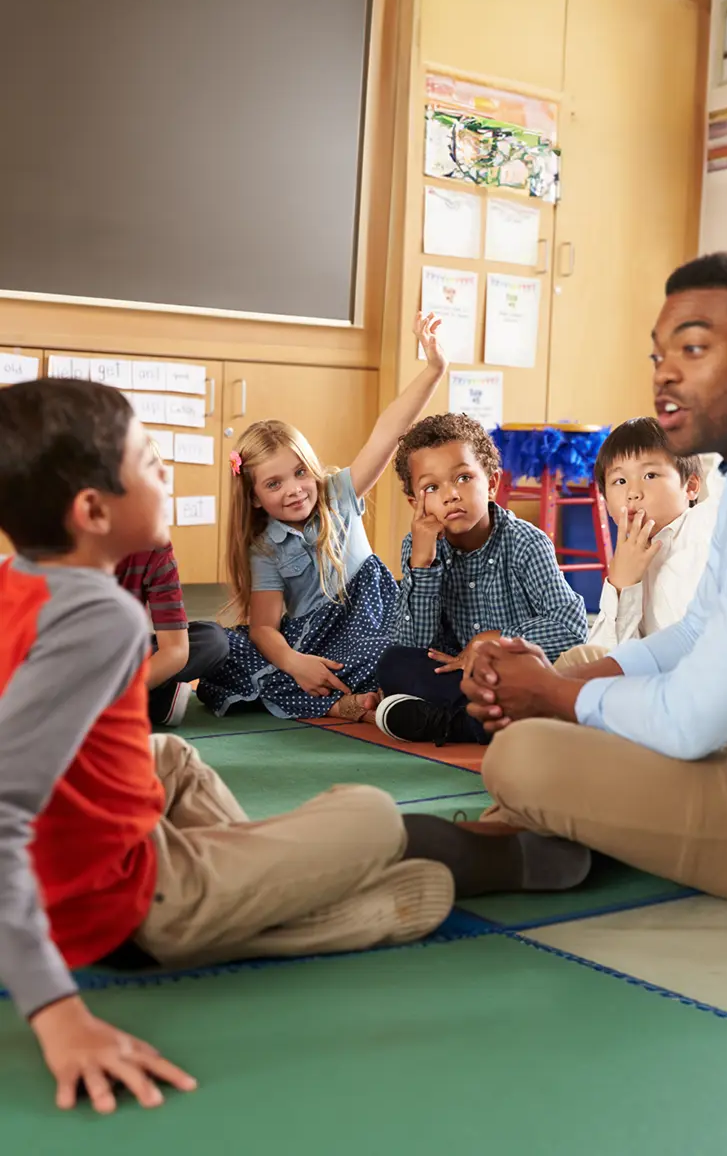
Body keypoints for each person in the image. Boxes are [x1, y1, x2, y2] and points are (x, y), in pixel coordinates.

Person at [0, 378, 457, 1114]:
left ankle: (246, 895)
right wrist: (56, 1012)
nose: (167, 473)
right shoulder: (104, 619)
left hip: (97, 848)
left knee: (172, 756)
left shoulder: (15, 582)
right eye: (148, 461)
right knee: (373, 814)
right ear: (91, 510)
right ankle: (245, 917)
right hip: (131, 905)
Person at [436, 252, 727, 910]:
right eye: (658, 355)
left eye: (693, 348)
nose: (666, 374)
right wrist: (561, 684)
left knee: (525, 759)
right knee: (565, 700)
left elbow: (690, 718)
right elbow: (694, 632)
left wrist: (550, 693)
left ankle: (526, 834)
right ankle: (533, 835)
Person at [197, 314, 448, 724]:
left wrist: (435, 368)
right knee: (229, 655)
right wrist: (296, 663)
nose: (294, 489)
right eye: (274, 484)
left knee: (398, 652)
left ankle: (364, 699)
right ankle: (347, 705)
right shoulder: (263, 547)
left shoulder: (338, 495)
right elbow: (264, 628)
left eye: (299, 473)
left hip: (371, 625)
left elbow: (389, 430)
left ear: (312, 469)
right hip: (311, 640)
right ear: (255, 498)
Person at [373, 412, 588, 744]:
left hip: (515, 673)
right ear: (417, 503)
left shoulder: (525, 543)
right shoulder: (418, 548)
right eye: (432, 487)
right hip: (460, 678)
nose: (451, 494)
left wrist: (493, 640)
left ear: (491, 484)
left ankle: (455, 723)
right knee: (392, 663)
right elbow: (414, 643)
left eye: (463, 478)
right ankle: (484, 723)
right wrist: (423, 565)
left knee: (547, 677)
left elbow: (571, 627)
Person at [585, 416, 721, 652]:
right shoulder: (627, 560)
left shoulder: (707, 525)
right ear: (606, 503)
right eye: (619, 480)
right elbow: (605, 658)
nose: (633, 493)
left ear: (690, 486)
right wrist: (621, 585)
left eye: (650, 476)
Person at [116, 539, 229, 726]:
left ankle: (122, 702)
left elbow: (175, 649)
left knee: (211, 641)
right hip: (70, 657)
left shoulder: (154, 547)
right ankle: (155, 701)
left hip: (126, 658)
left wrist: (122, 694)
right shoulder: (59, 545)